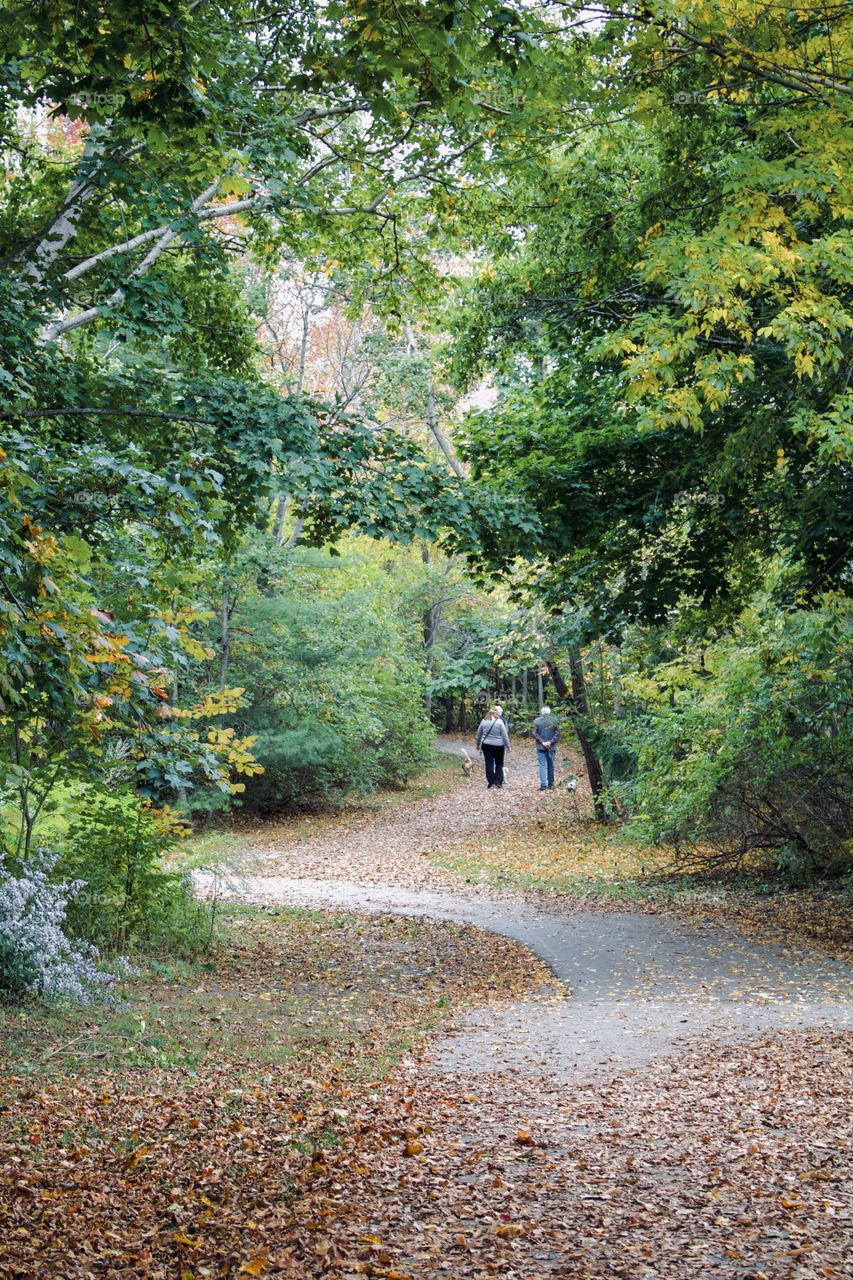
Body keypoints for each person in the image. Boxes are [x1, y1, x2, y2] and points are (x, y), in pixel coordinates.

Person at [475, 706, 510, 789]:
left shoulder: (484, 721)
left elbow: (478, 734)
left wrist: (477, 745)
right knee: (499, 763)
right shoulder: (500, 722)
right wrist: (508, 746)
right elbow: (505, 735)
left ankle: (491, 783)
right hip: (499, 746)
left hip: (486, 745)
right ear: (496, 713)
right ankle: (498, 782)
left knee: (489, 763)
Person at [532, 705, 560, 790]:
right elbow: (557, 733)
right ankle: (551, 784)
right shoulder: (555, 721)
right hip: (551, 747)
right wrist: (550, 742)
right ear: (549, 712)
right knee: (551, 764)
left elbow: (534, 733)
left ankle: (543, 784)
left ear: (541, 712)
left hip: (541, 747)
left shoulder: (537, 721)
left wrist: (542, 742)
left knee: (542, 765)